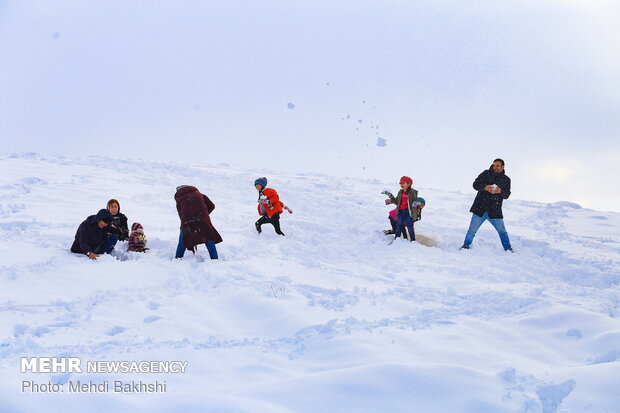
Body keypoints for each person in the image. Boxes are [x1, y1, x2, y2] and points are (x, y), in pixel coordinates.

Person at [461, 158, 514, 252]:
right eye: (494, 165)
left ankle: (508, 249)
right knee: (471, 231)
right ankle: (465, 247)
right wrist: (485, 187)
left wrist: (500, 191)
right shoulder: (485, 173)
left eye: (497, 166)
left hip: (495, 211)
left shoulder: (506, 179)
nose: (495, 167)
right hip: (480, 208)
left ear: (503, 166)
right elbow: (475, 185)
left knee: (502, 232)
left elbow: (507, 195)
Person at [174, 185, 222, 259]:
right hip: (203, 220)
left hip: (187, 222)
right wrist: (203, 215)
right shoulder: (199, 194)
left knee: (183, 241)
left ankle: (178, 258)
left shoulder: (179, 198)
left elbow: (181, 214)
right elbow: (211, 206)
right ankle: (214, 259)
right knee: (209, 239)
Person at [383, 176, 422, 242]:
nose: (401, 185)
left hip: (408, 212)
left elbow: (418, 201)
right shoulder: (400, 192)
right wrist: (390, 195)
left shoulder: (413, 192)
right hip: (401, 211)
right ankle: (396, 240)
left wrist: (415, 204)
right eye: (400, 184)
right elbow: (396, 201)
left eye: (403, 183)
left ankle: (413, 241)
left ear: (409, 184)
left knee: (410, 226)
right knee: (399, 225)